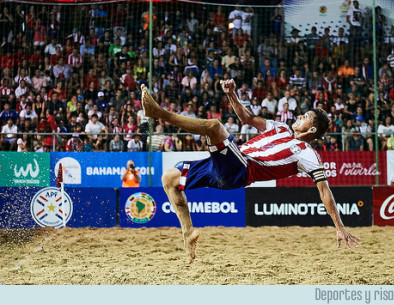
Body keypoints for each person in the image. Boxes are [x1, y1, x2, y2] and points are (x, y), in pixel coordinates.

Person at [140, 82, 359, 263]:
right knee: (169, 178)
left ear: (312, 130)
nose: (300, 116)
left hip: (240, 169)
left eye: (305, 117)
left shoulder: (308, 154)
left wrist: (339, 227)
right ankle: (188, 234)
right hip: (222, 166)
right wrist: (232, 94)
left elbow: (324, 190)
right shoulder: (280, 127)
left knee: (215, 126)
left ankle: (157, 113)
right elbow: (247, 119)